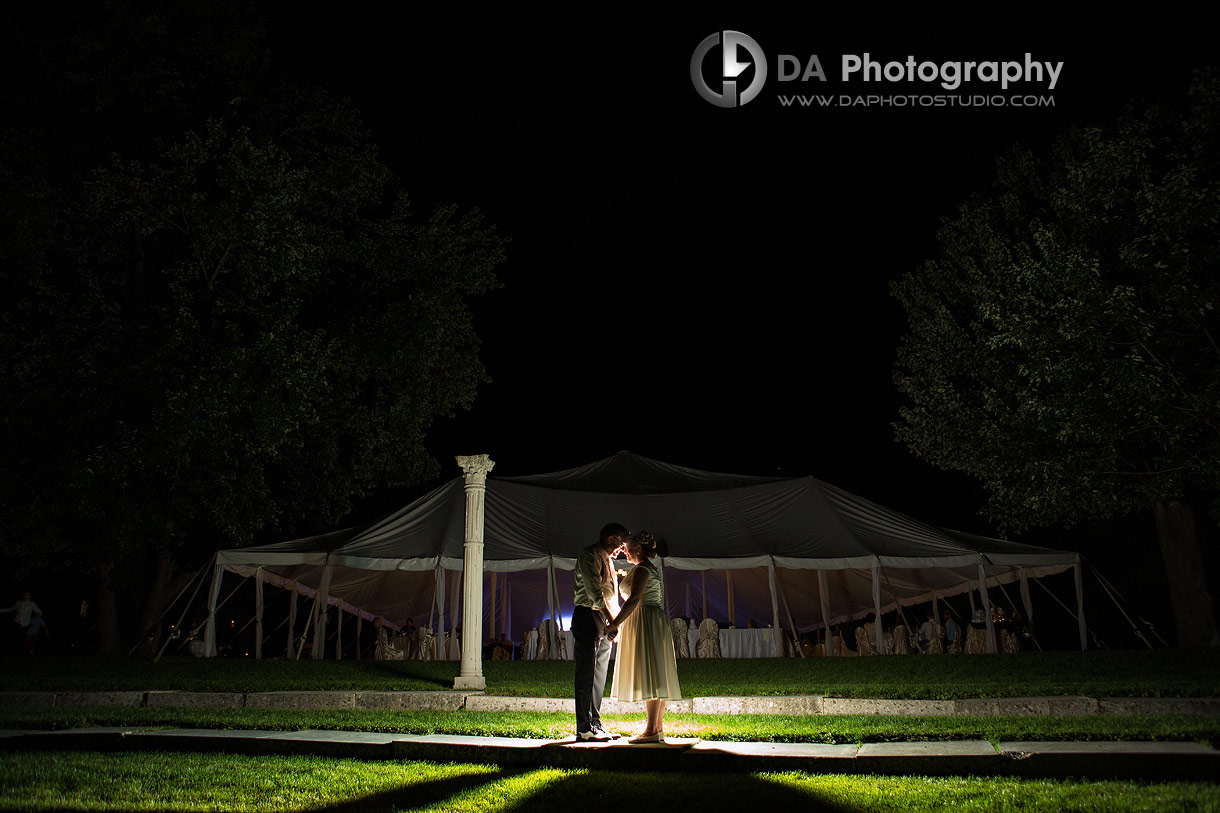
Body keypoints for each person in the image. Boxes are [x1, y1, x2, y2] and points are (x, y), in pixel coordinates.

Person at [605, 530, 682, 743]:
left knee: (651, 673)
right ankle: (656, 727)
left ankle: (651, 730)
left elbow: (634, 599)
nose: (624, 552)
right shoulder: (646, 568)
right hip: (650, 620)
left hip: (646, 620)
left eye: (627, 547)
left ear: (637, 548)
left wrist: (615, 624)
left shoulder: (642, 570)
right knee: (655, 672)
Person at [572, 522, 627, 741]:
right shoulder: (589, 555)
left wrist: (614, 622)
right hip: (588, 615)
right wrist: (613, 620)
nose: (622, 550)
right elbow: (595, 592)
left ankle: (595, 723)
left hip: (604, 619)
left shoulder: (609, 560)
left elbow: (610, 594)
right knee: (586, 672)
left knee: (599, 675)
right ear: (612, 539)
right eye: (621, 544)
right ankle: (584, 727)